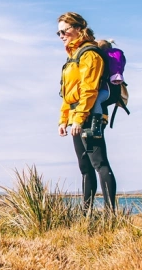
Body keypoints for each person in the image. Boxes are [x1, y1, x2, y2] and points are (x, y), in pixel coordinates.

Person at [57, 12, 118, 213]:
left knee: (100, 164)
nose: (62, 35)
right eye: (58, 33)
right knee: (85, 168)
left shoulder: (89, 54)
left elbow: (89, 90)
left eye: (65, 30)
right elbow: (68, 94)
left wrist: (79, 118)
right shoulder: (72, 57)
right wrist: (63, 120)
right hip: (76, 117)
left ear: (78, 28)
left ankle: (111, 215)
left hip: (90, 115)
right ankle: (86, 214)